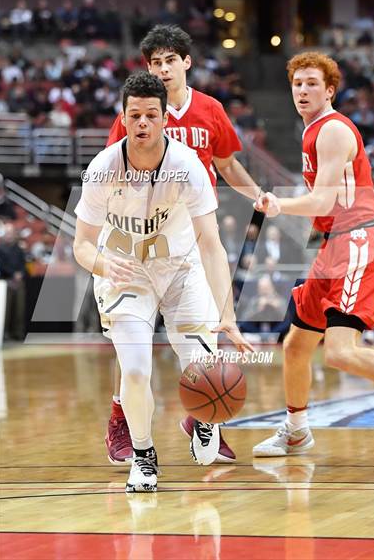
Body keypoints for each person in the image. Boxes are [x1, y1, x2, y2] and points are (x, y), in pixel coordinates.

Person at [74, 72, 252, 491]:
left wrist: (226, 312)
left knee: (205, 368)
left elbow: (211, 244)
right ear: (123, 116)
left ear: (163, 120)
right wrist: (102, 266)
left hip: (181, 268)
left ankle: (204, 423)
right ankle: (144, 455)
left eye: (150, 115)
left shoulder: (187, 164)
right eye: (134, 114)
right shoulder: (102, 169)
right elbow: (81, 245)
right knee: (135, 370)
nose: (142, 123)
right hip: (125, 272)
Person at [105, 24, 262, 466]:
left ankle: (203, 412)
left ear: (186, 63)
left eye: (170, 60)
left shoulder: (210, 110)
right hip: (143, 239)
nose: (163, 68)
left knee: (207, 335)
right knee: (132, 338)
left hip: (196, 234)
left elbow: (228, 165)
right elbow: (115, 172)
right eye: (155, 62)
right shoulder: (137, 115)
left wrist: (257, 196)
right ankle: (122, 417)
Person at [252, 52, 374, 457]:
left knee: (341, 352)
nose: (303, 90)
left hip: (357, 242)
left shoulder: (332, 131)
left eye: (312, 83)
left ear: (329, 90)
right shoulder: (311, 131)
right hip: (333, 245)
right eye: (297, 83)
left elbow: (323, 200)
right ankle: (295, 429)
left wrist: (279, 205)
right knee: (295, 346)